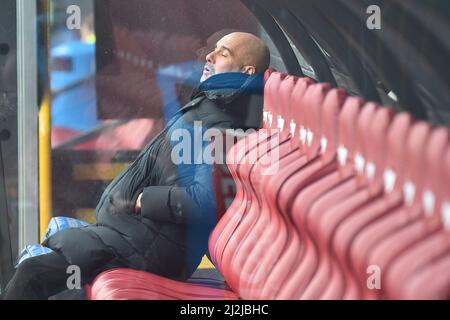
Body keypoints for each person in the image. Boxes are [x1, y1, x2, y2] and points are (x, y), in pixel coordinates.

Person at [3, 32, 270, 300]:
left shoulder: (221, 124)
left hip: (148, 248)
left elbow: (208, 200)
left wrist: (146, 199)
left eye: (223, 54)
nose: (210, 56)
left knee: (32, 272)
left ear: (246, 71)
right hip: (136, 238)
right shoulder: (211, 107)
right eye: (213, 49)